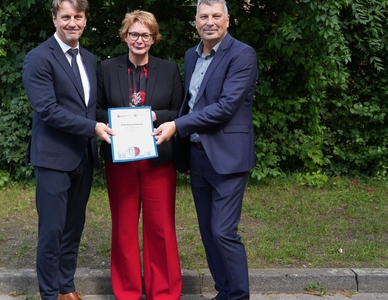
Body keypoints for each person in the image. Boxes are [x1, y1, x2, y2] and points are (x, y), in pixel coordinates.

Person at [153, 0, 258, 299]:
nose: (209, 22)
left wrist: (177, 126)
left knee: (224, 232)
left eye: (216, 16)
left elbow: (225, 108)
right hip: (198, 156)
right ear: (196, 22)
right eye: (203, 16)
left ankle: (238, 296)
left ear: (228, 20)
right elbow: (191, 102)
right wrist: (172, 131)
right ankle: (223, 292)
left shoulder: (242, 54)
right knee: (209, 234)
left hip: (228, 157)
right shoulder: (191, 55)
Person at [22, 0, 114, 299]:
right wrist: (92, 128)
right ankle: (49, 294)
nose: (72, 22)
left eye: (78, 16)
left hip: (83, 157)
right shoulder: (38, 58)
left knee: (74, 227)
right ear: (54, 19)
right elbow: (47, 110)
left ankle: (66, 287)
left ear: (85, 20)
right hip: (53, 157)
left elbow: (90, 108)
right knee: (52, 231)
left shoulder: (88, 58)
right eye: (65, 17)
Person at [96, 10, 184, 300]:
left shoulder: (169, 69)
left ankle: (165, 292)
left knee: (160, 228)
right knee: (123, 228)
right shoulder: (107, 69)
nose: (140, 40)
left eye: (146, 35)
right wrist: (112, 121)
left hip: (157, 159)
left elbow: (180, 110)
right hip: (120, 160)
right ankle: (128, 292)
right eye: (134, 34)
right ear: (124, 36)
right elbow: (95, 110)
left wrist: (155, 115)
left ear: (154, 38)